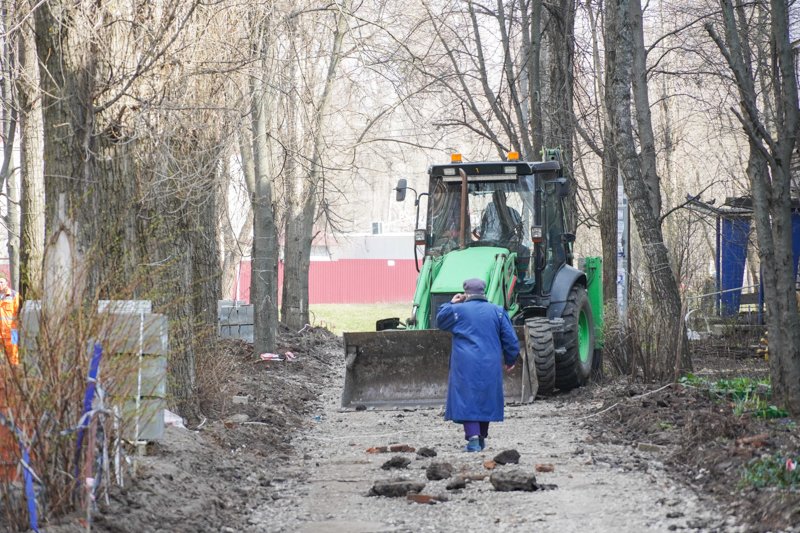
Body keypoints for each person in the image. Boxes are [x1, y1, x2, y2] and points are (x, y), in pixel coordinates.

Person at [436, 278, 519, 452]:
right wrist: (511, 360)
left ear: (466, 293)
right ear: (484, 292)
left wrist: (451, 302)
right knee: (485, 397)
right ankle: (481, 436)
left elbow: (440, 321)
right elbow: (510, 340)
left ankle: (473, 438)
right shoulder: (497, 311)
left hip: (465, 364)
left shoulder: (457, 310)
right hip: (490, 362)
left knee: (468, 399)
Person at [0, 274, 21, 366]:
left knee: (14, 355)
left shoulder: (14, 295)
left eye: (1, 282)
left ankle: (14, 376)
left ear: (6, 283)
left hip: (12, 330)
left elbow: (17, 312)